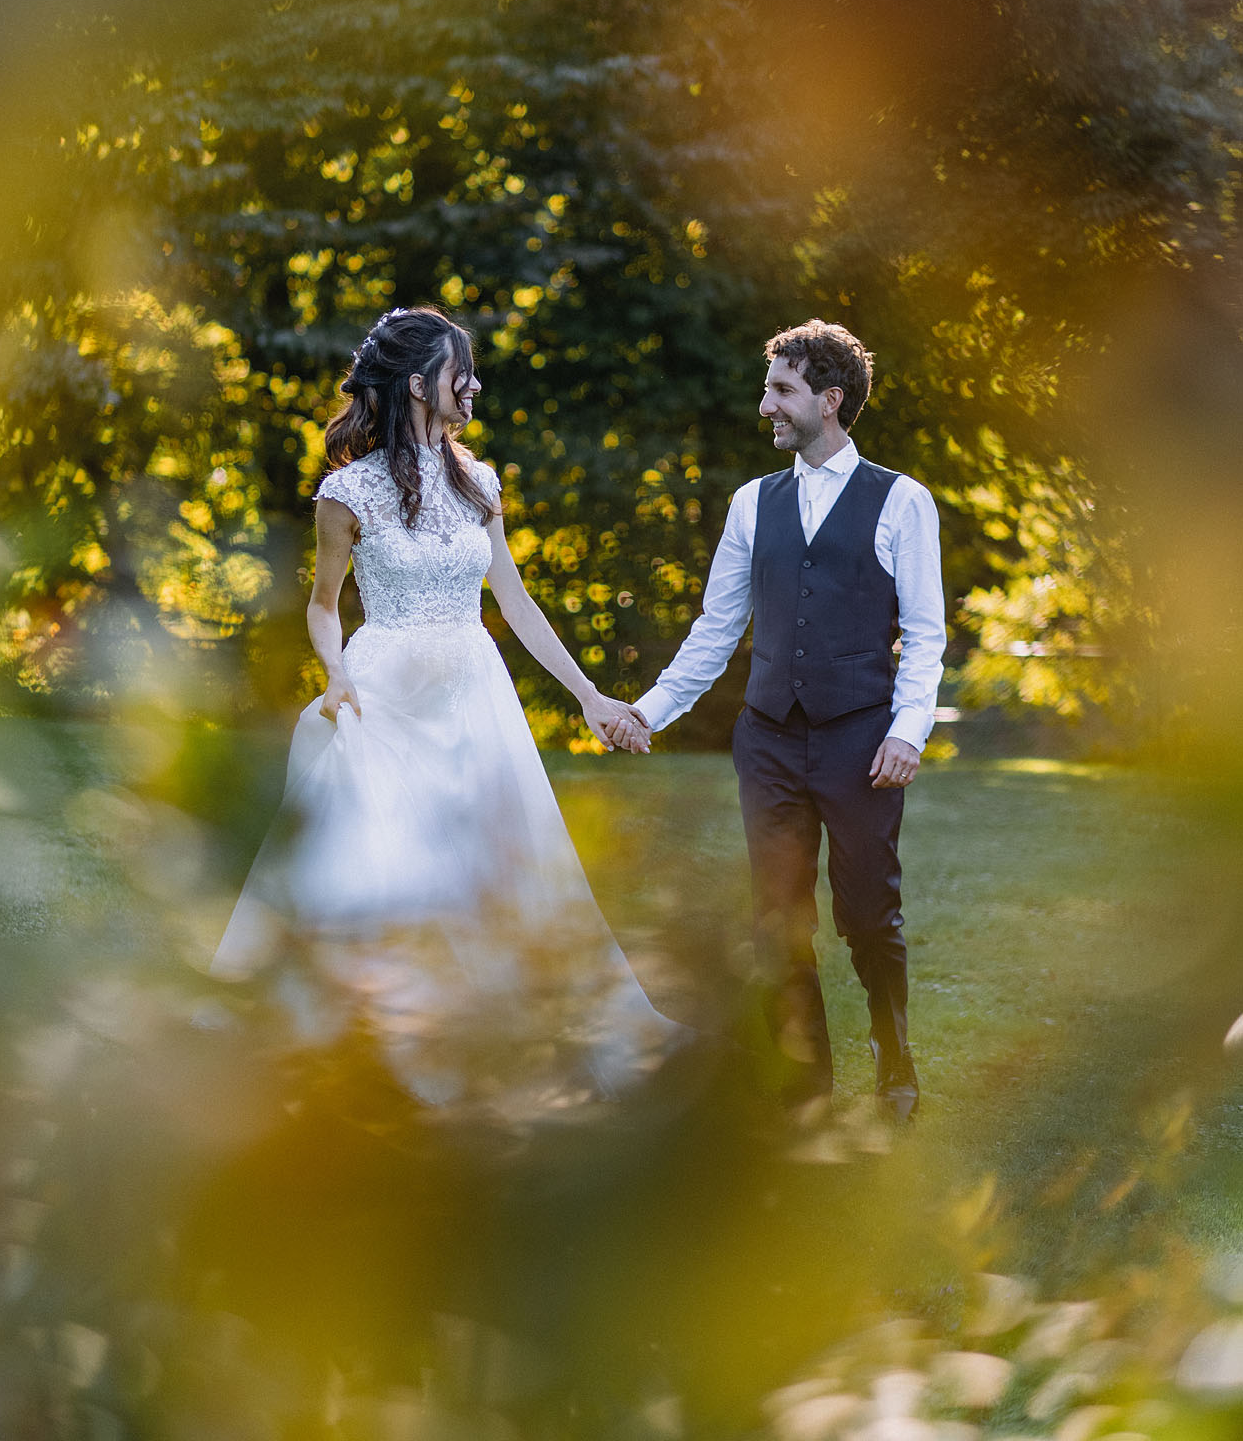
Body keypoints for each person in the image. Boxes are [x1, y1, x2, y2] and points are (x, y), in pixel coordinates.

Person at [211, 305, 680, 1114]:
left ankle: (495, 1034)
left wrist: (589, 695)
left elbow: (517, 603)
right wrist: (333, 672)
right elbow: (325, 605)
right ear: (416, 381)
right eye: (459, 368)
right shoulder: (347, 490)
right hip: (383, 692)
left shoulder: (480, 482)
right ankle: (368, 1044)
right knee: (379, 857)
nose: (474, 382)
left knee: (498, 861)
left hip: (474, 691)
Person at [610, 320, 945, 1122]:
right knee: (778, 921)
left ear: (828, 401)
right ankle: (804, 1088)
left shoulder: (902, 501)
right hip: (767, 741)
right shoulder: (751, 504)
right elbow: (716, 629)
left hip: (862, 740)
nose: (766, 405)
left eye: (781, 390)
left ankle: (894, 1067)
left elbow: (926, 632)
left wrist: (908, 731)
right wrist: (646, 711)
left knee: (867, 916)